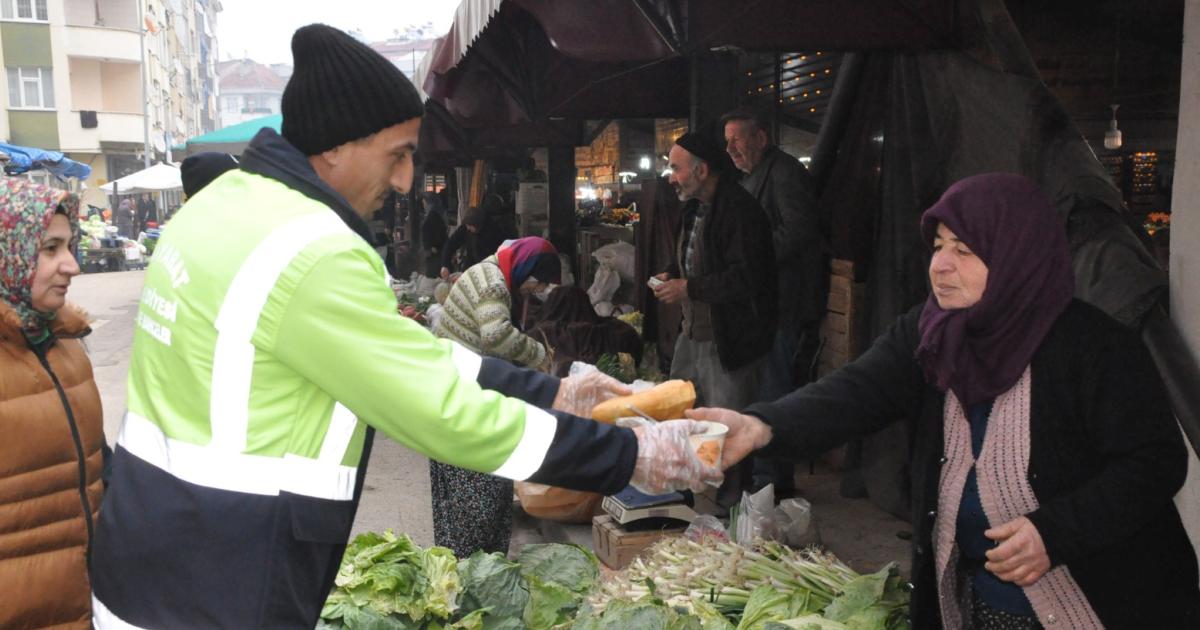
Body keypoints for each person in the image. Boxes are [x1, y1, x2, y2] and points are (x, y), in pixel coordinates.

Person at [90, 24, 726, 629]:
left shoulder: (220, 209)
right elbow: (442, 414)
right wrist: (634, 455)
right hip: (225, 576)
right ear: (335, 145)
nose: (403, 180)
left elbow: (409, 357)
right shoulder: (312, 251)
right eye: (396, 155)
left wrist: (556, 392)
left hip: (151, 542)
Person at [691, 173, 1200, 628]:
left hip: (1106, 601)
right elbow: (854, 391)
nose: (941, 266)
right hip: (978, 602)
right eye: (937, 245)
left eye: (965, 249)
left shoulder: (1093, 347)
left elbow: (1154, 462)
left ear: (1015, 253)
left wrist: (1056, 531)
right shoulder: (931, 332)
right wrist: (760, 426)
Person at [652, 131, 777, 509]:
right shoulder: (692, 209)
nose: (671, 176)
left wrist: (688, 289)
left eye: (676, 168)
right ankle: (686, 490)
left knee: (729, 420)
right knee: (681, 413)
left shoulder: (740, 210)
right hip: (693, 333)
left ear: (702, 170)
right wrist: (671, 276)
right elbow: (690, 260)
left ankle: (733, 507)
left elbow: (746, 278)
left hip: (730, 338)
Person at [0, 178, 105, 629]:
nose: (72, 265)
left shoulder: (64, 346)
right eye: (50, 248)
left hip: (83, 607)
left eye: (70, 246)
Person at [430, 236, 562, 556]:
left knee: (462, 506)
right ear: (527, 270)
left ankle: (463, 575)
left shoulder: (489, 270)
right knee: (479, 506)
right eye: (538, 282)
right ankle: (474, 577)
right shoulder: (494, 285)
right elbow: (495, 336)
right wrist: (538, 355)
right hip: (467, 406)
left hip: (453, 396)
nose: (536, 289)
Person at [723, 109, 824, 496]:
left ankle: (773, 481)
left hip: (784, 302)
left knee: (774, 389)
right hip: (761, 303)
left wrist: (754, 259)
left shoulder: (784, 172)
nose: (730, 148)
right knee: (762, 387)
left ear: (761, 139)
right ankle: (763, 475)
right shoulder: (751, 177)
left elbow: (799, 229)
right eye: (727, 140)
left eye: (737, 139)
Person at [420, 191, 448, 278]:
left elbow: (437, 234)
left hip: (435, 253)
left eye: (424, 203)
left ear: (429, 203)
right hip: (436, 252)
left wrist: (430, 247)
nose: (423, 205)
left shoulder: (433, 217)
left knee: (434, 278)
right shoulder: (436, 215)